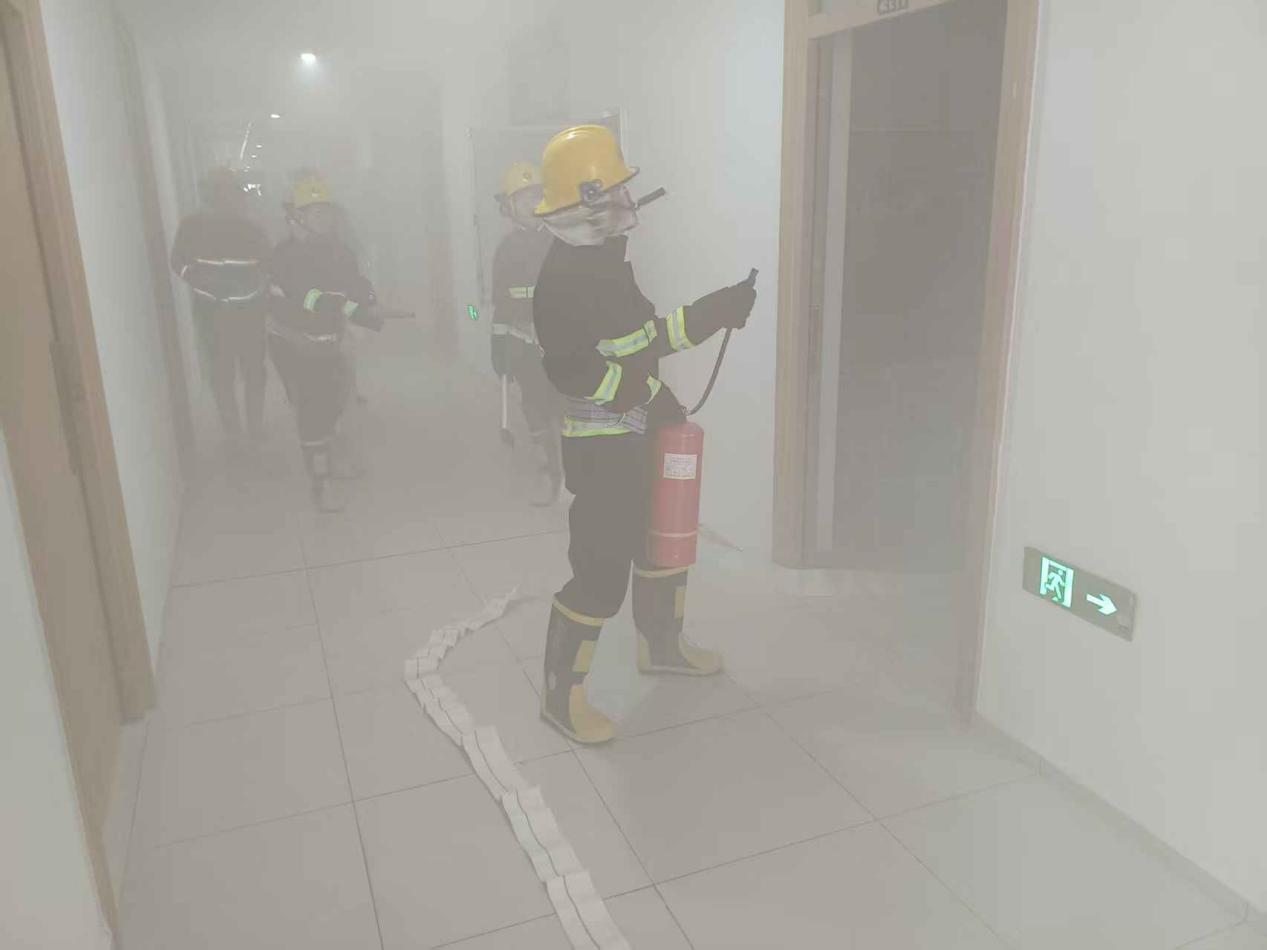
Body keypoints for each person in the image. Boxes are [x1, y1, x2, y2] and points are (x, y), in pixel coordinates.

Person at [531, 125, 757, 743]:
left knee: (663, 538)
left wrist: (712, 313)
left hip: (638, 434)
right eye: (616, 194)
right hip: (602, 447)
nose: (629, 204)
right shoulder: (563, 277)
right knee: (600, 568)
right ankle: (560, 697)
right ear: (588, 203)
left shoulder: (604, 260)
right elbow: (573, 372)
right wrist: (646, 396)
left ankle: (663, 647)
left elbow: (643, 338)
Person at [266, 176, 383, 511]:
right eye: (315, 212)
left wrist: (367, 300)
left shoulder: (339, 251)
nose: (324, 218)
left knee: (335, 402)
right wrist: (350, 307)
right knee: (312, 410)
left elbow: (353, 283)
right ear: (297, 216)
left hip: (329, 339)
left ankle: (328, 460)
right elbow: (308, 298)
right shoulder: (283, 257)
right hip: (293, 343)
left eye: (327, 211)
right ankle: (321, 484)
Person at [170, 166, 270, 449]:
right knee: (221, 374)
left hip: (250, 314)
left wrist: (258, 290)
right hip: (211, 314)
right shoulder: (191, 227)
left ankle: (255, 427)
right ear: (209, 195)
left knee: (254, 372)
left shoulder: (251, 229)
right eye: (220, 192)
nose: (227, 198)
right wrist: (201, 281)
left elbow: (267, 266)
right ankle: (232, 431)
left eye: (231, 192)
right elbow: (178, 261)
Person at [490, 162, 563, 505]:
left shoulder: (562, 240)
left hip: (562, 344)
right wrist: (499, 346)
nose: (532, 204)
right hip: (524, 345)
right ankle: (546, 471)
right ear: (509, 207)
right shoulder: (505, 250)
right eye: (523, 199)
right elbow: (500, 303)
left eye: (537, 195)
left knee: (565, 408)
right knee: (534, 406)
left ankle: (570, 479)